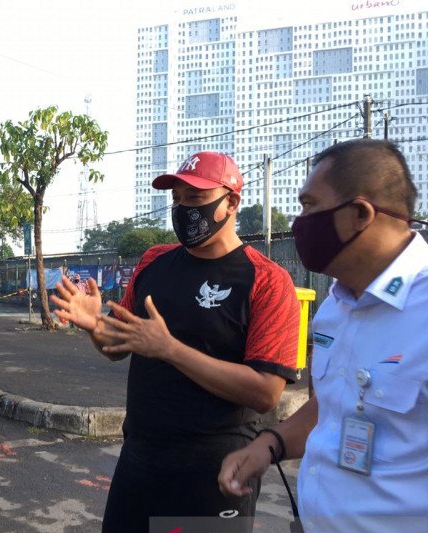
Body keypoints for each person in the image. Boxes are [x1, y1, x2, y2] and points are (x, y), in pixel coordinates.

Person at [53, 151, 300, 532]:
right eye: (178, 200)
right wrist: (93, 324)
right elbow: (119, 346)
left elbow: (266, 392)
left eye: (196, 199)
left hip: (216, 473)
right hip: (140, 459)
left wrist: (170, 349)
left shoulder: (266, 280)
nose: (184, 210)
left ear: (231, 202)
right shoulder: (154, 261)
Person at [219, 139, 428, 532]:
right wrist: (269, 446)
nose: (300, 221)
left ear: (360, 214)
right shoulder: (336, 303)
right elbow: (334, 403)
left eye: (310, 205)